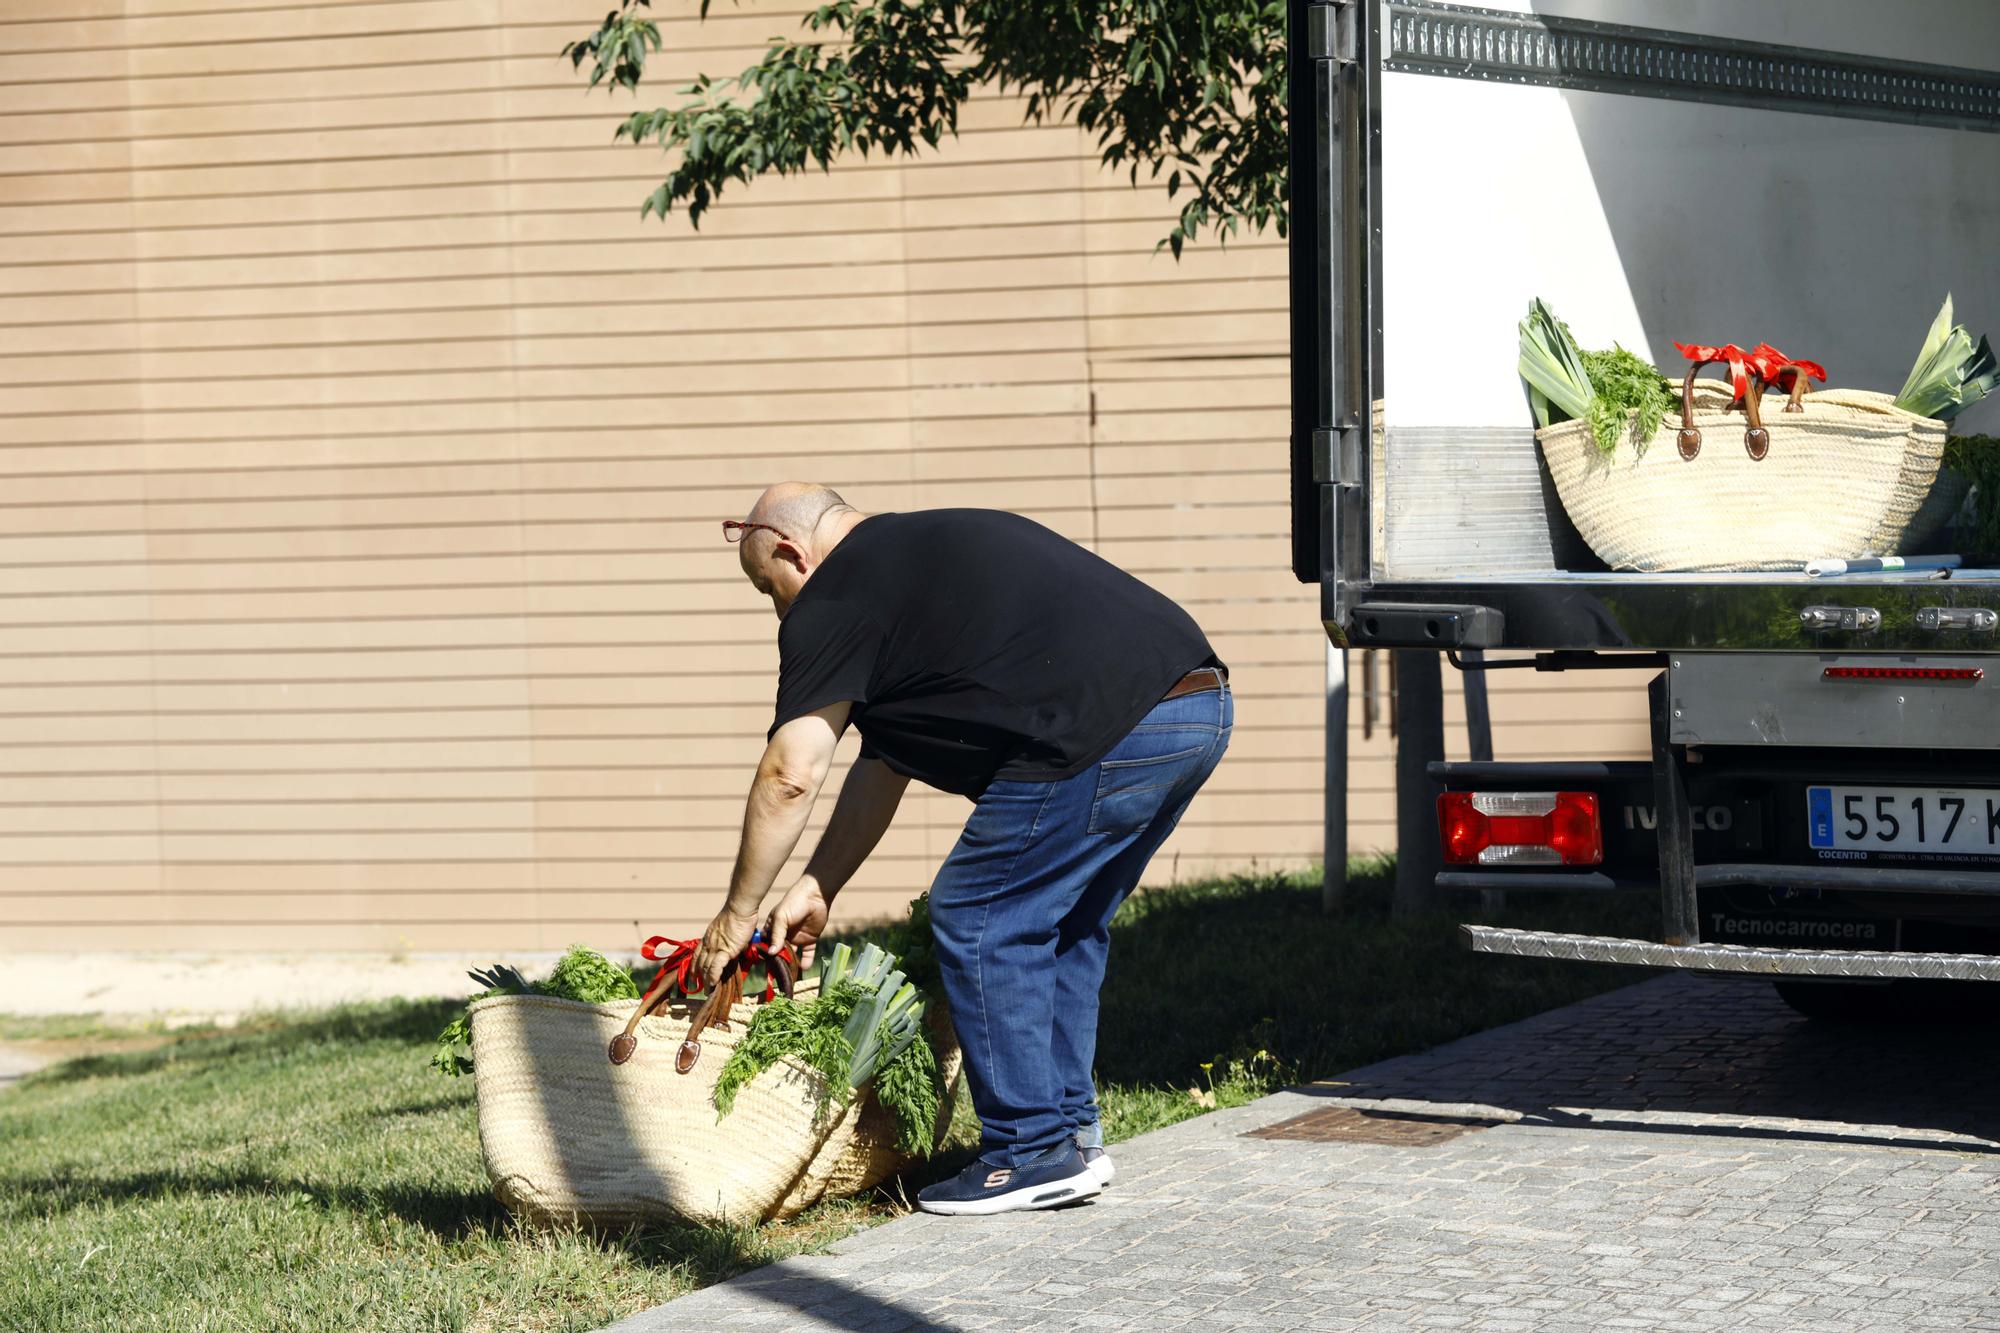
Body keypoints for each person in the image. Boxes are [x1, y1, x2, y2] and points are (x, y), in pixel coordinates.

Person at [691, 483, 1230, 1216]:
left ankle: (1029, 1151)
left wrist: (736, 913)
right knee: (1063, 923)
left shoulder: (835, 596)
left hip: (1099, 724)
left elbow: (791, 773)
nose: (779, 609)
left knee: (977, 911)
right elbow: (883, 763)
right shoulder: (914, 567)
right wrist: (821, 880)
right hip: (1194, 704)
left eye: (770, 588)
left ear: (794, 553)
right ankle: (1069, 1137)